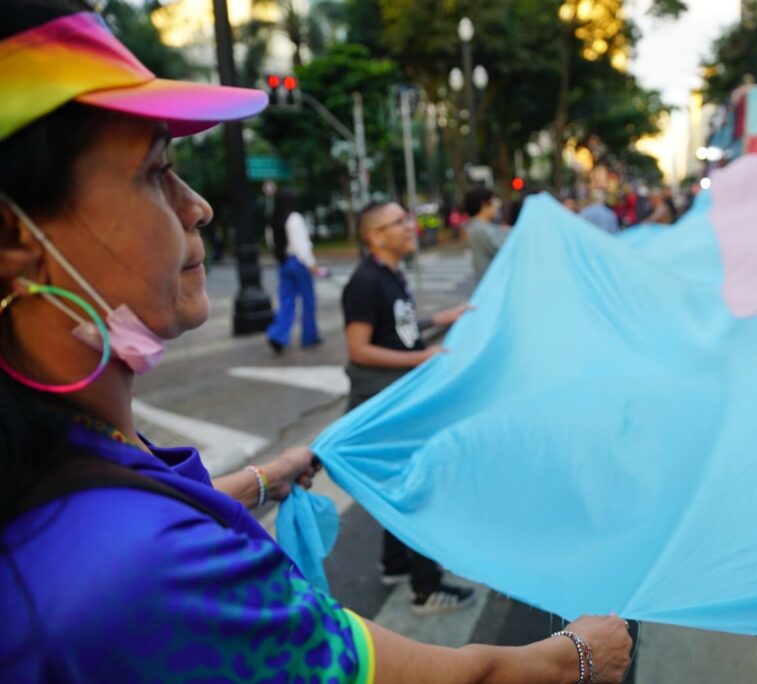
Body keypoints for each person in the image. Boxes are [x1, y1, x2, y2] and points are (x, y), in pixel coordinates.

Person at [0, 4, 634, 682]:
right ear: (15, 239)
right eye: (156, 171)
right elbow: (454, 678)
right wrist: (581, 656)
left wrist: (261, 481)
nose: (197, 206)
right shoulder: (147, 573)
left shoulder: (64, 458)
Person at [342, 200, 479, 613]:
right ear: (375, 236)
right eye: (398, 221)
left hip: (399, 397)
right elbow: (359, 349)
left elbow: (398, 328)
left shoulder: (391, 276)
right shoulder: (365, 282)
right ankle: (426, 588)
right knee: (419, 485)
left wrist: (442, 317)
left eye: (407, 218)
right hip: (385, 401)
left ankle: (395, 563)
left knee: (399, 483)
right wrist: (422, 358)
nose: (410, 225)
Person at [266, 188, 322, 353]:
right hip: (298, 262)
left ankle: (278, 334)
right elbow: (301, 245)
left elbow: (272, 243)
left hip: (283, 262)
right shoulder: (294, 218)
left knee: (286, 301)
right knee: (308, 300)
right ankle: (309, 336)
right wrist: (311, 264)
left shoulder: (273, 219)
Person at [463, 186, 508, 285]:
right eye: (494, 201)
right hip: (491, 285)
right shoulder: (480, 230)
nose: (497, 205)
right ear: (484, 205)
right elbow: (504, 250)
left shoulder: (477, 226)